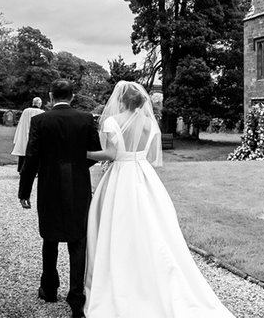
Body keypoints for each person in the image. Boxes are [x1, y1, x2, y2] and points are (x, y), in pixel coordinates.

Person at [84, 81, 235, 318]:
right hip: (145, 175)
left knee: (120, 225)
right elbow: (152, 156)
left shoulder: (112, 122)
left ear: (121, 100)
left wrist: (85, 153)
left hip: (121, 175)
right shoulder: (149, 123)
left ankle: (121, 275)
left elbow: (112, 154)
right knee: (152, 224)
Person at [18, 80, 100, 318]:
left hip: (49, 185)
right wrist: (76, 165)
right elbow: (94, 152)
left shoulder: (40, 121)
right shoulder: (85, 119)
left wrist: (24, 191)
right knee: (78, 240)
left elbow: (31, 158)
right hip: (78, 186)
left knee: (50, 236)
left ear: (51, 96)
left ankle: (50, 288)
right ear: (72, 96)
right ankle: (76, 299)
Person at [11, 97, 44, 173]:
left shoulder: (26, 111)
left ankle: (21, 169)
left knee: (23, 151)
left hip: (24, 132)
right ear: (39, 104)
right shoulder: (41, 112)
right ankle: (35, 170)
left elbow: (21, 123)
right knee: (35, 153)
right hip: (35, 134)